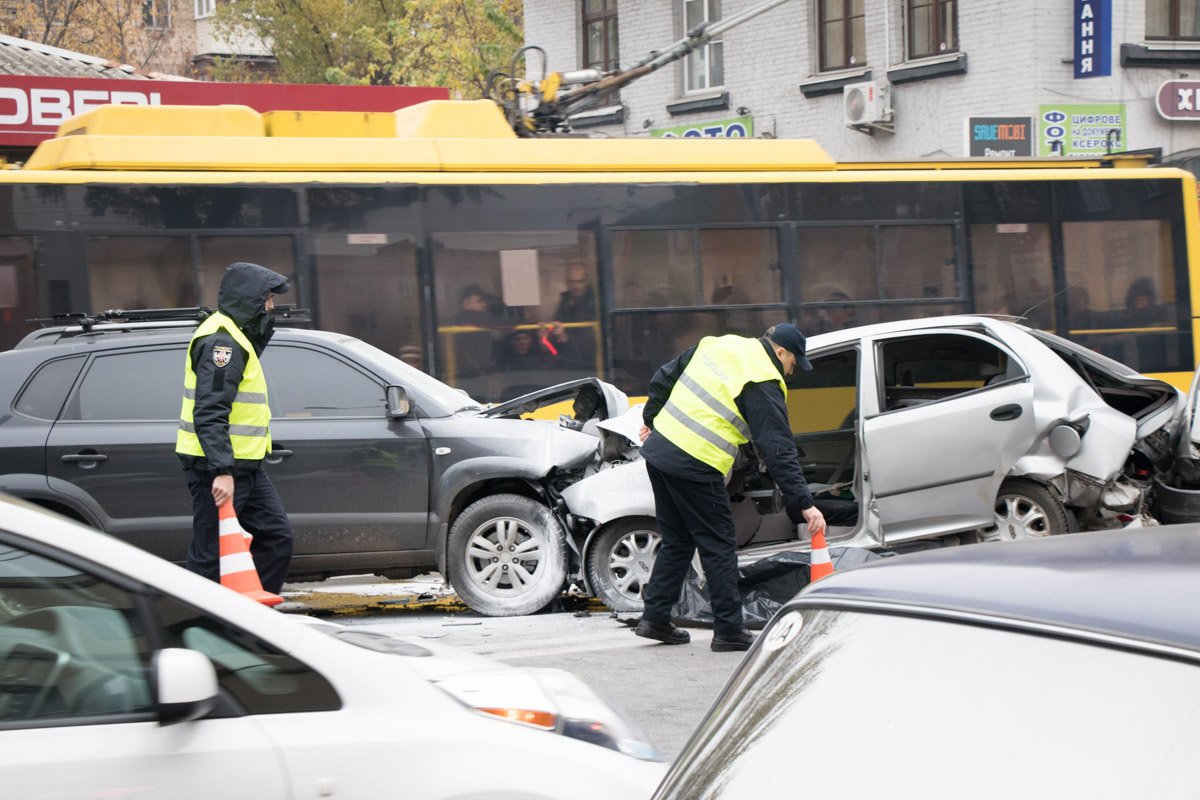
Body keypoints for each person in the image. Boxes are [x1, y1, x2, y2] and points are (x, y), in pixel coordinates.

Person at [635, 323, 827, 652]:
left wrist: (652, 420)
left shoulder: (720, 344)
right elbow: (778, 448)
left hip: (660, 451)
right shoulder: (762, 378)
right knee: (719, 545)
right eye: (794, 363)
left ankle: (655, 618)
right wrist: (804, 502)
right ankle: (728, 630)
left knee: (678, 539)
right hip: (696, 461)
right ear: (781, 352)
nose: (791, 371)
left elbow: (664, 376)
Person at [176, 261, 294, 594]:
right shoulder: (221, 343)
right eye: (267, 299)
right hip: (217, 470)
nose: (271, 307)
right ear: (248, 298)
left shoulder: (236, 336)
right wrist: (222, 471)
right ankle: (196, 626)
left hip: (246, 468)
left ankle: (247, 617)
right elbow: (210, 411)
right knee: (209, 557)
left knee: (275, 538)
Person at [552, 264, 597, 366]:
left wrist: (566, 338)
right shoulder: (565, 301)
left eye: (580, 281)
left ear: (586, 281)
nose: (575, 286)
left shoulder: (594, 301)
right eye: (572, 282)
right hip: (568, 358)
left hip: (590, 361)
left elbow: (590, 337)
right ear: (567, 283)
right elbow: (557, 323)